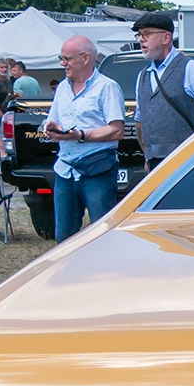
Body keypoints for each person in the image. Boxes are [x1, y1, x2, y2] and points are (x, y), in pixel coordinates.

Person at [43, 34, 124, 242]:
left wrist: (80, 136)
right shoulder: (61, 88)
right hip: (65, 170)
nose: (62, 63)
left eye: (67, 59)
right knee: (63, 238)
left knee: (101, 235)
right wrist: (51, 128)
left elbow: (116, 130)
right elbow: (54, 120)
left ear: (85, 58)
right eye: (61, 58)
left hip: (97, 169)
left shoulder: (108, 87)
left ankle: (102, 273)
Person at [131, 10, 194, 171]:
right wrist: (147, 156)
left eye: (147, 34)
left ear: (166, 37)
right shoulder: (143, 75)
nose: (141, 39)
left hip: (187, 163)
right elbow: (140, 122)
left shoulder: (190, 68)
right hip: (154, 164)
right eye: (139, 35)